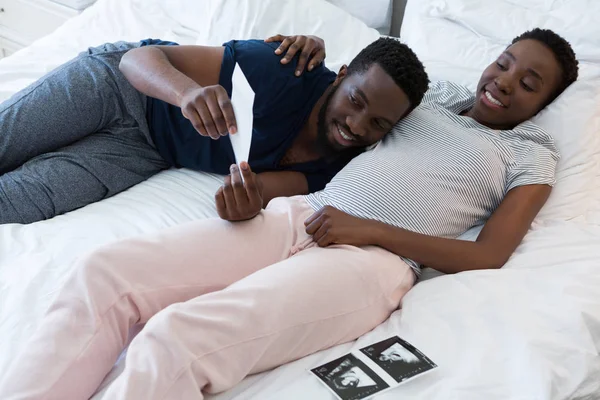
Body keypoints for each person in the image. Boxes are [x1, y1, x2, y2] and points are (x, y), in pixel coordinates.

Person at [0, 28, 578, 400]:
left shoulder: (531, 154)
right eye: (504, 63)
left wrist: (369, 230)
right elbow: (361, 85)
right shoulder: (432, 95)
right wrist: (308, 45)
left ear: (544, 103)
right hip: (303, 214)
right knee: (104, 273)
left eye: (529, 83)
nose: (504, 82)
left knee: (174, 339)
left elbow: (488, 254)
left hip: (373, 261)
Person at [0, 37, 428, 224]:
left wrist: (240, 207)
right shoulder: (282, 69)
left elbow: (258, 190)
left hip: (144, 152)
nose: (356, 126)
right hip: (118, 87)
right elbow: (138, 60)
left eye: (378, 124)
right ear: (342, 75)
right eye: (356, 101)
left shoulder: (339, 166)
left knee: (17, 204)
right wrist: (187, 93)